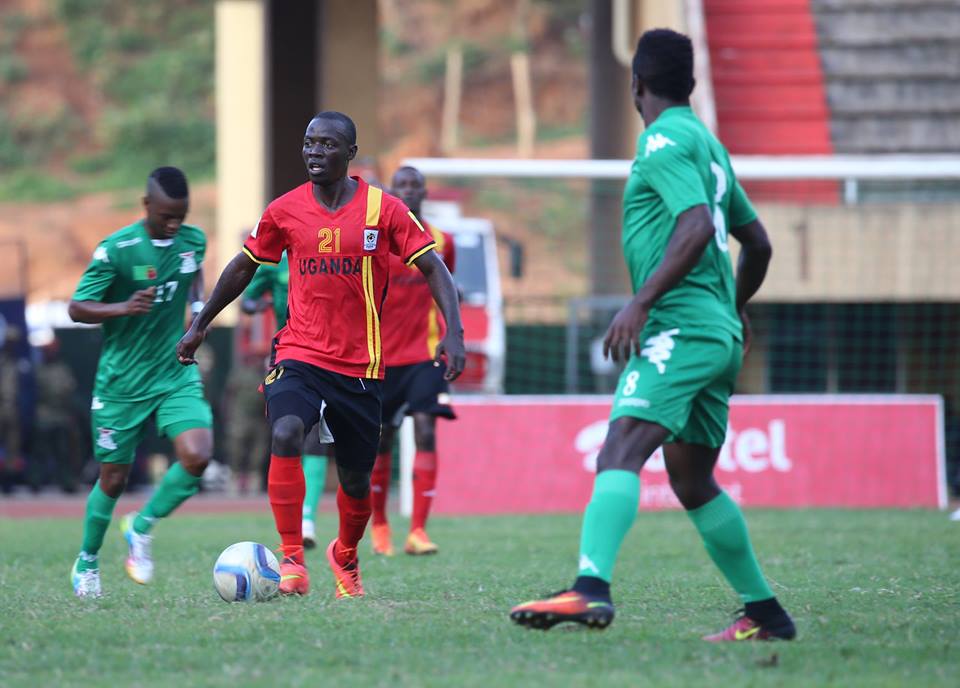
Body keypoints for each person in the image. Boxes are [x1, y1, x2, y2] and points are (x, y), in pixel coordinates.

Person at [509, 29, 795, 642]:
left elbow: (693, 225)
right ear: (687, 84)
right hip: (713, 329)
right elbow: (759, 244)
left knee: (620, 449)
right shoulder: (709, 146)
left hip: (681, 326)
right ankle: (767, 614)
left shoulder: (662, 139)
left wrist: (640, 302)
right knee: (691, 480)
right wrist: (732, 307)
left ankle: (589, 590)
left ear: (636, 83)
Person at [177, 111, 465, 599]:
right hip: (300, 352)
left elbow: (434, 266)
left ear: (350, 154)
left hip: (361, 367)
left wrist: (454, 333)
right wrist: (201, 323)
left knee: (356, 486)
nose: (314, 152)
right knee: (287, 431)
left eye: (327, 144)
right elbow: (243, 266)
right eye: (309, 143)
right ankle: (291, 559)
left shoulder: (385, 210)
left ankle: (346, 553)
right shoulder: (285, 210)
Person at [68, 166, 213, 598]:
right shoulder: (118, 249)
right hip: (122, 384)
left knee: (199, 455)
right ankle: (87, 562)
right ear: (146, 205)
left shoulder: (193, 240)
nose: (174, 224)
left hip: (173, 372)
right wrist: (123, 308)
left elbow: (195, 275)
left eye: (181, 216)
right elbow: (77, 308)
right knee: (113, 478)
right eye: (167, 215)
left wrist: (200, 312)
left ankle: (142, 526)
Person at [369, 166, 457, 556]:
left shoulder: (442, 241)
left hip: (425, 354)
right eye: (400, 186)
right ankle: (381, 525)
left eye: (414, 186)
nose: (408, 192)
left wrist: (454, 335)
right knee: (379, 440)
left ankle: (418, 530)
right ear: (390, 192)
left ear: (424, 192)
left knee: (426, 430)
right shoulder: (374, 240)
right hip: (381, 358)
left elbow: (445, 289)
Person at [240, 254, 332, 547]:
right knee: (287, 432)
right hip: (289, 354)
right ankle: (292, 526)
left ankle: (307, 520)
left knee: (317, 436)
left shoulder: (331, 251)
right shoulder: (273, 263)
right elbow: (247, 300)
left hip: (331, 354)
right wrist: (256, 303)